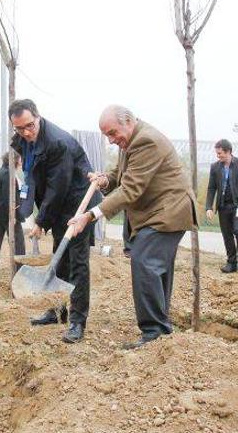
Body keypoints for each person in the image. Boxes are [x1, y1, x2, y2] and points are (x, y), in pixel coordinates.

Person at [68, 106, 198, 349]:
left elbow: (130, 189)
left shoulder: (146, 141)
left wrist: (91, 215)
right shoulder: (131, 140)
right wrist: (106, 179)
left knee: (144, 261)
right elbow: (122, 173)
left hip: (168, 211)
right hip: (159, 212)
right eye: (106, 135)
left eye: (113, 133)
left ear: (128, 121)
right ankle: (160, 332)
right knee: (156, 267)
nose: (111, 139)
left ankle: (154, 333)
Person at [9, 98, 101, 344]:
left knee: (77, 263)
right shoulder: (22, 140)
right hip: (58, 203)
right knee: (59, 259)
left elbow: (57, 187)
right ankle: (57, 310)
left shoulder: (57, 142)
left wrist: (41, 220)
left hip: (78, 202)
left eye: (30, 125)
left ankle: (77, 321)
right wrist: (34, 211)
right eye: (19, 128)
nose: (26, 132)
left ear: (38, 117)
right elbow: (35, 177)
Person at [205, 139, 238, 273]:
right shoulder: (215, 167)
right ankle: (231, 262)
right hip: (223, 206)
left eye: (220, 153)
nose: (218, 156)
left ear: (228, 151)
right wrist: (209, 207)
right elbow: (211, 188)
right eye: (217, 154)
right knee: (227, 234)